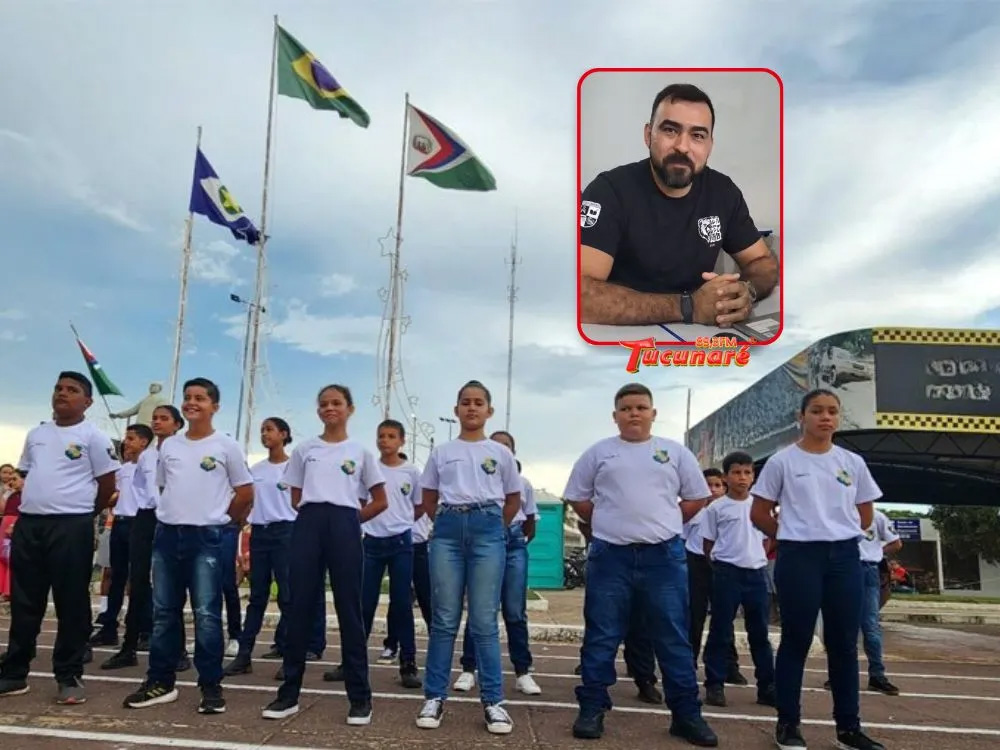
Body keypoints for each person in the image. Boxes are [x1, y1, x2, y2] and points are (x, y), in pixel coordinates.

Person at [563, 382, 718, 746]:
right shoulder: (599, 453)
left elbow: (697, 497)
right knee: (602, 634)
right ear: (615, 415)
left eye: (641, 407)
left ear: (653, 413)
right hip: (610, 557)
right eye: (626, 408)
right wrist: (607, 521)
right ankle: (592, 708)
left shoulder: (674, 452)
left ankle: (686, 715)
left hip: (663, 557)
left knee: (673, 636)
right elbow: (578, 498)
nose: (634, 413)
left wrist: (667, 521)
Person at [750, 388, 886, 750]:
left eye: (832, 411)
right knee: (796, 640)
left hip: (845, 559)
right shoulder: (782, 461)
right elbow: (759, 512)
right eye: (816, 411)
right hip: (799, 558)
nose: (825, 417)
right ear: (802, 417)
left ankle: (848, 729)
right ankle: (788, 725)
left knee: (843, 644)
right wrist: (791, 534)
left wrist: (836, 531)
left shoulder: (852, 462)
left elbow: (865, 514)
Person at [580, 83, 778, 326]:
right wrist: (687, 307)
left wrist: (747, 291)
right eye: (670, 130)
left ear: (710, 145)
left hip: (695, 335)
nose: (683, 147)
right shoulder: (608, 191)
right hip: (621, 338)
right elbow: (580, 294)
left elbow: (763, 262)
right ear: (648, 135)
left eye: (697, 136)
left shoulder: (723, 192)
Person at [123, 377, 254, 715]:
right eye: (187, 397)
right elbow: (164, 486)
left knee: (207, 614)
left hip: (206, 538)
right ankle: (160, 682)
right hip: (167, 536)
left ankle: (210, 685)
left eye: (200, 398)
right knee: (164, 612)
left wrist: (223, 521)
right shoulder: (170, 446)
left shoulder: (226, 446)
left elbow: (245, 493)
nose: (192, 402)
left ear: (214, 406)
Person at [262, 384, 387, 726]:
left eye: (336, 403)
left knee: (349, 610)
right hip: (309, 522)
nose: (329, 408)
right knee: (299, 605)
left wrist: (351, 520)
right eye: (323, 404)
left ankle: (360, 698)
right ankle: (288, 695)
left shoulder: (360, 452)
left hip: (345, 523)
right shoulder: (306, 449)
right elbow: (296, 496)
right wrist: (316, 517)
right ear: (318, 410)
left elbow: (380, 500)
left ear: (350, 409)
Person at [0, 371, 120, 703]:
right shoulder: (36, 434)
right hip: (30, 525)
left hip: (71, 526)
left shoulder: (94, 437)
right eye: (58, 388)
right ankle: (14, 673)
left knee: (71, 602)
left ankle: (69, 675)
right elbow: (29, 473)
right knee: (25, 601)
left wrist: (85, 513)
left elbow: (107, 484)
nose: (62, 393)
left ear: (87, 402)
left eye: (72, 390)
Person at [414, 380, 521, 735]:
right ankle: (434, 697)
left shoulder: (500, 453)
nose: (471, 407)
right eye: (465, 402)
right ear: (456, 409)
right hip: (447, 532)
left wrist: (493, 528)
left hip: (488, 529)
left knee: (484, 620)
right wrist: (446, 523)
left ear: (489, 410)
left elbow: (513, 499)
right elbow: (428, 496)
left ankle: (494, 702)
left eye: (478, 402)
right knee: (444, 619)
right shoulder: (442, 452)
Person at [225, 417, 328, 679]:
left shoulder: (295, 468)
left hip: (287, 533)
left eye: (270, 430)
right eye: (262, 430)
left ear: (284, 434)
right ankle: (244, 655)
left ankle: (291, 657)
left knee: (288, 597)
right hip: (261, 533)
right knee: (257, 597)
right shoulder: (256, 469)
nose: (265, 434)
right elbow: (247, 502)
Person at [453, 430, 542, 696]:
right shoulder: (477, 483)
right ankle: (469, 669)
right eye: (496, 444)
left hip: (513, 544)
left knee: (515, 611)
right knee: (480, 607)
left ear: (513, 452)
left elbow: (530, 522)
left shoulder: (523, 484)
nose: (501, 449)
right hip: (483, 543)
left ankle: (523, 671)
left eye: (506, 446)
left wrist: (515, 540)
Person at [102, 405, 188, 670]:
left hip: (174, 518)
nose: (157, 422)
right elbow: (141, 488)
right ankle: (129, 647)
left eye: (164, 418)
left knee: (172, 584)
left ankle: (179, 651)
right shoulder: (147, 456)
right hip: (146, 518)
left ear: (177, 424)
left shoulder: (185, 451)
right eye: (155, 418)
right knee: (137, 582)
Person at [699, 451, 776, 709]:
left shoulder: (761, 507)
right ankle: (714, 684)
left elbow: (768, 539)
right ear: (726, 477)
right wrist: (722, 564)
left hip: (756, 575)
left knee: (760, 633)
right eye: (736, 472)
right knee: (720, 631)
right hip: (727, 573)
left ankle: (767, 687)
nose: (742, 478)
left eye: (747, 472)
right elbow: (708, 544)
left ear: (753, 476)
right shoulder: (716, 508)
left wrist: (757, 558)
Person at [355, 419, 423, 688]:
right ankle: (352, 662)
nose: (385, 441)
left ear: (402, 441)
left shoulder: (411, 472)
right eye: (381, 436)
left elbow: (419, 505)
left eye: (391, 436)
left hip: (401, 543)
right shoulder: (369, 469)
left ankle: (408, 662)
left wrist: (402, 522)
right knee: (364, 603)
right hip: (371, 542)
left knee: (401, 603)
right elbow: (360, 502)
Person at [824, 509, 902, 697]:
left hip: (864, 568)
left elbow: (896, 543)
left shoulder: (876, 515)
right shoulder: (840, 510)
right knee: (851, 625)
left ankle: (872, 675)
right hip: (849, 568)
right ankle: (849, 674)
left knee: (865, 625)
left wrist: (877, 551)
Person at [91, 424, 154, 647]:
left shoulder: (151, 467)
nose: (126, 442)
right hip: (120, 522)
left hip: (139, 523)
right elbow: (114, 494)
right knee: (116, 576)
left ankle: (145, 629)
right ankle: (109, 626)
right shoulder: (123, 469)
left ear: (144, 442)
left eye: (131, 438)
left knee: (139, 579)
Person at [685, 467, 745, 684]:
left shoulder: (730, 509)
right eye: (708, 485)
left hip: (722, 564)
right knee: (694, 616)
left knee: (724, 617)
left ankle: (729, 666)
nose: (713, 490)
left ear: (724, 487)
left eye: (717, 485)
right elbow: (683, 537)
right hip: (696, 562)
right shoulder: (693, 511)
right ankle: (688, 663)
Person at [0, 470, 24, 601]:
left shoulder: (27, 495)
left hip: (16, 523)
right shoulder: (12, 494)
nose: (11, 482)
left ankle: (9, 591)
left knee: (12, 557)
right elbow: (2, 509)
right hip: (5, 522)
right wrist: (5, 492)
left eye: (15, 479)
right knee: (2, 556)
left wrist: (15, 525)